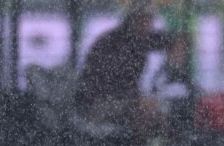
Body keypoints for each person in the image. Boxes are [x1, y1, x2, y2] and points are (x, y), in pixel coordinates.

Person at [74, 0, 185, 134]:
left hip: (122, 101)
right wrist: (138, 101)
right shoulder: (113, 44)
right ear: (133, 18)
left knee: (163, 114)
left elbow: (170, 39)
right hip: (97, 104)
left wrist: (175, 47)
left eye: (150, 19)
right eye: (143, 19)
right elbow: (113, 86)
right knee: (147, 114)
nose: (148, 25)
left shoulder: (139, 39)